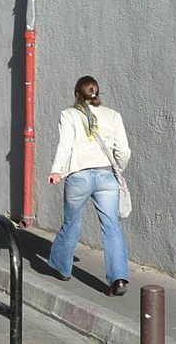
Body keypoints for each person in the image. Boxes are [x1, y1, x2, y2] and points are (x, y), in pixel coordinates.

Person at [46, 75, 132, 296]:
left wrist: (57, 170)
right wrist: (117, 169)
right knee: (111, 226)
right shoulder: (113, 115)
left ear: (77, 95)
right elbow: (123, 150)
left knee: (72, 222)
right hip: (106, 176)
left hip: (78, 177)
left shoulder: (69, 115)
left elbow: (65, 145)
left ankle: (62, 267)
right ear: (97, 94)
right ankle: (119, 277)